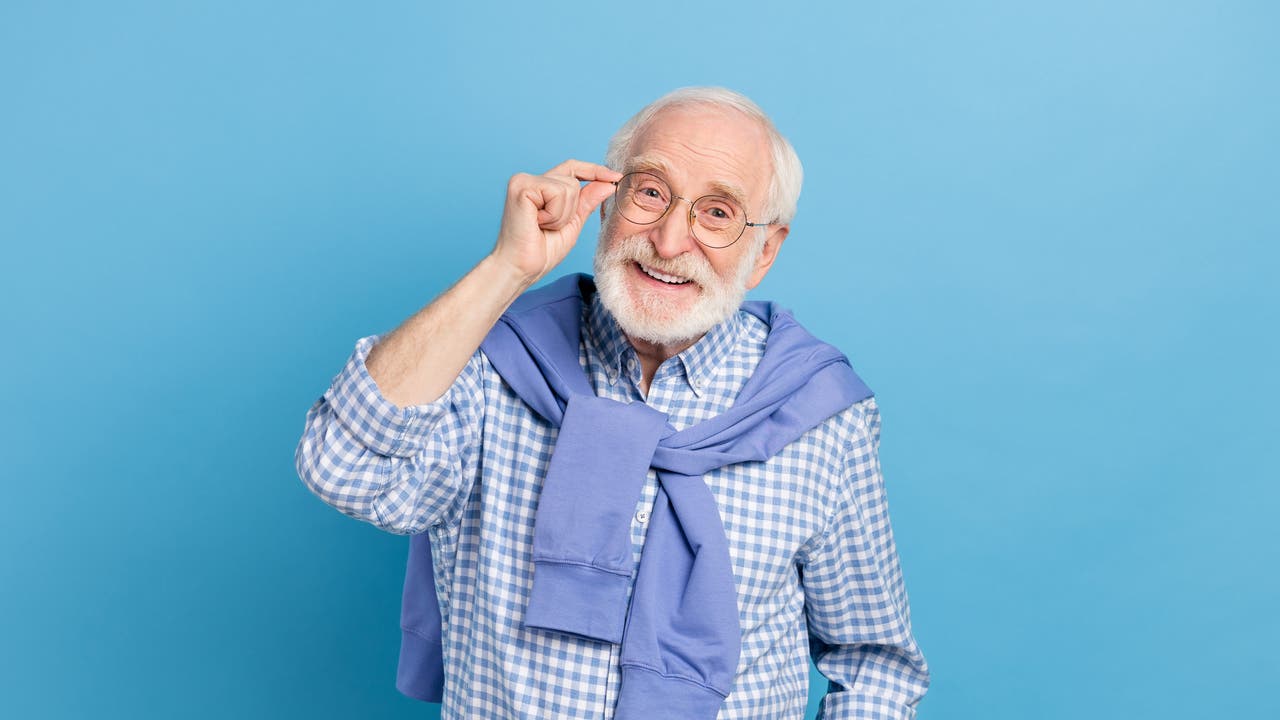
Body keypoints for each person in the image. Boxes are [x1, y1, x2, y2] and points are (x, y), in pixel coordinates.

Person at [295, 87, 929, 719]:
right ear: (606, 205)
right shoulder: (488, 367)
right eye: (651, 192)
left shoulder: (820, 414)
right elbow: (342, 469)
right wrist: (506, 270)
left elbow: (875, 665)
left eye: (717, 212)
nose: (670, 240)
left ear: (764, 250)